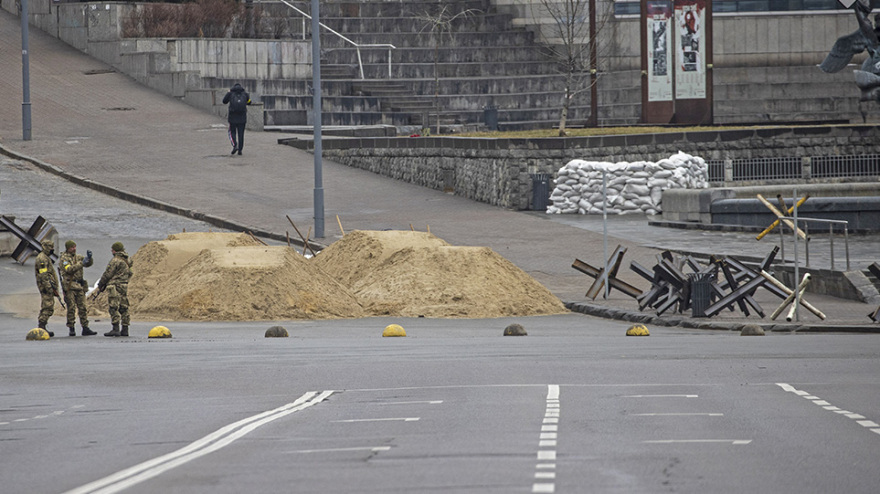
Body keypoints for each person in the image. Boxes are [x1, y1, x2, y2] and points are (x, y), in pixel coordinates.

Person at [58, 240, 96, 336]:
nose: (74, 249)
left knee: (82, 307)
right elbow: (69, 269)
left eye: (75, 247)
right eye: (72, 247)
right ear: (68, 248)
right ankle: (71, 327)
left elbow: (87, 264)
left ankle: (85, 327)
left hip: (79, 286)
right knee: (71, 308)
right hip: (70, 286)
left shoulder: (77, 257)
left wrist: (89, 258)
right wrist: (81, 263)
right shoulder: (64, 259)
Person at [96, 242, 133, 337]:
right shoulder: (127, 260)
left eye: (112, 250)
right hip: (124, 285)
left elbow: (108, 274)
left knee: (113, 306)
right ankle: (125, 329)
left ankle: (115, 328)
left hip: (115, 286)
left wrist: (101, 284)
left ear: (115, 250)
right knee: (124, 307)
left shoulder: (115, 260)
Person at [34, 239, 59, 337]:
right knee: (47, 306)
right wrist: (49, 287)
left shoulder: (46, 257)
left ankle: (43, 326)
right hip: (45, 287)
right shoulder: (42, 259)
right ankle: (42, 326)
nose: (52, 249)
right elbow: (43, 275)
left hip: (48, 285)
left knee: (48, 305)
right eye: (50, 247)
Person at [222, 83, 251, 156]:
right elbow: (249, 102)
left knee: (232, 132)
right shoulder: (245, 94)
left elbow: (224, 101)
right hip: (242, 117)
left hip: (232, 117)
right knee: (241, 134)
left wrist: (228, 92)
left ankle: (235, 145)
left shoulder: (230, 93)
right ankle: (240, 150)